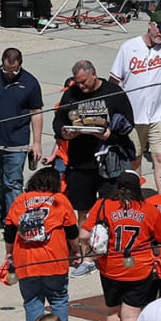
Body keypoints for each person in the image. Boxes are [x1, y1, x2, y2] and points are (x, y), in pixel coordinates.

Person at [81, 174, 161, 321]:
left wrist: (88, 252)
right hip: (139, 268)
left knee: (112, 313)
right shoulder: (149, 209)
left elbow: (84, 234)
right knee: (131, 316)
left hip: (110, 267)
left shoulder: (103, 205)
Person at [0, 48, 47, 222]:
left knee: (13, 183)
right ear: (1, 63)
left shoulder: (30, 82)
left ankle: (13, 220)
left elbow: (36, 112)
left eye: (14, 71)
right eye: (6, 70)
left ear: (20, 65)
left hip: (17, 142)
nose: (10, 74)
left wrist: (37, 142)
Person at [113, 15, 161, 189]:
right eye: (158, 28)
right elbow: (114, 80)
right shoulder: (128, 47)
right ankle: (135, 198)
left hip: (160, 115)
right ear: (149, 25)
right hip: (133, 116)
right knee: (135, 159)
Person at [52, 61, 136, 215]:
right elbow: (58, 121)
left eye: (84, 82)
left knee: (111, 211)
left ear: (94, 74)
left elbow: (129, 124)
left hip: (110, 165)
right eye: (77, 83)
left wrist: (109, 136)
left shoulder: (114, 92)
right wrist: (64, 133)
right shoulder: (71, 93)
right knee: (83, 212)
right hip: (80, 163)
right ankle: (84, 239)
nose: (81, 87)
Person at [3, 165, 79, 321]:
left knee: (32, 302)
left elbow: (9, 232)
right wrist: (76, 251)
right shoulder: (60, 200)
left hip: (26, 262)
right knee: (58, 300)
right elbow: (72, 232)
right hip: (55, 261)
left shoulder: (20, 200)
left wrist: (9, 254)